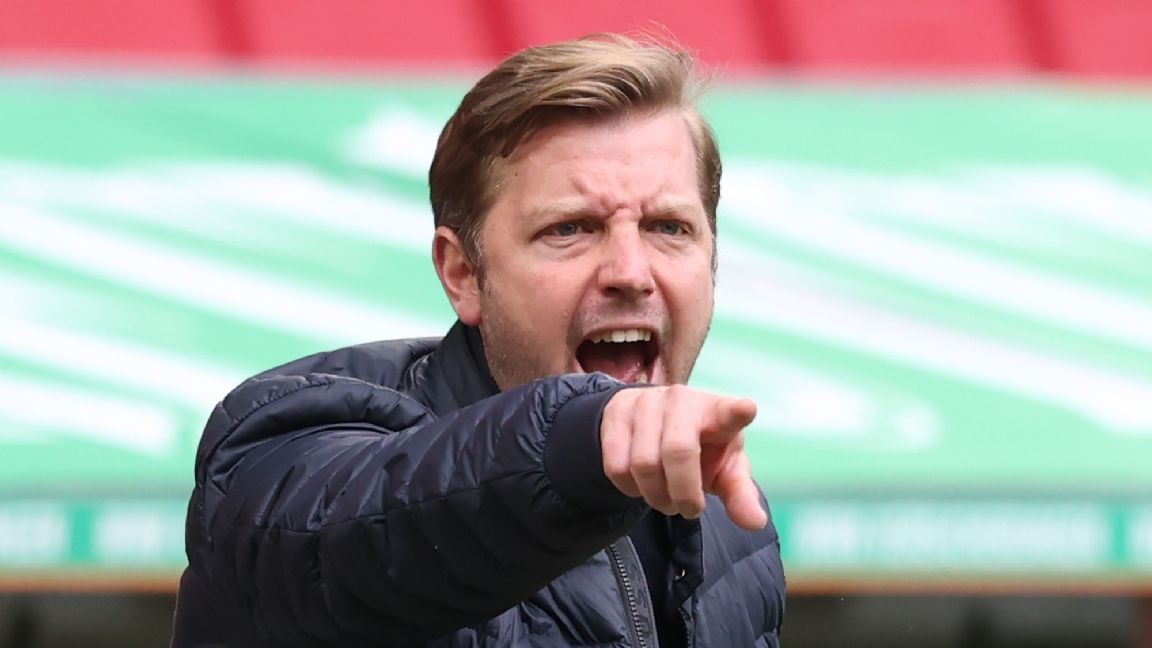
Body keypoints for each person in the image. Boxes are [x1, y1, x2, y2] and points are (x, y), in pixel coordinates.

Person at [172, 33, 785, 648]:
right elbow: (343, 541)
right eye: (569, 228)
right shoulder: (282, 441)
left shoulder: (734, 523)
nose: (630, 272)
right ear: (462, 272)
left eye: (669, 227)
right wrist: (582, 442)